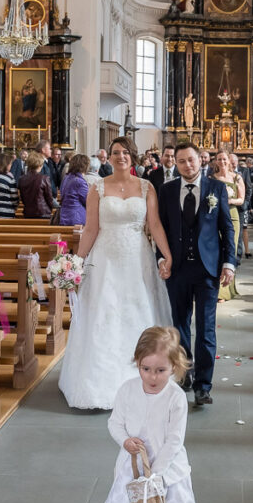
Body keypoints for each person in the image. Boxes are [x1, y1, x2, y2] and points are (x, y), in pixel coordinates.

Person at [58, 137, 175, 410]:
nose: (120, 156)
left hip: (138, 258)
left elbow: (155, 225)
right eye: (115, 153)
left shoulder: (146, 187)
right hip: (105, 259)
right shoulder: (97, 188)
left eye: (125, 152)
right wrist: (77, 262)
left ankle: (147, 377)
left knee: (138, 311)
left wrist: (166, 254)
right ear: (108, 158)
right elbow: (90, 229)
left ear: (133, 157)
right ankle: (100, 383)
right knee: (104, 314)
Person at [105, 327, 197, 503]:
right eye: (146, 369)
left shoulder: (175, 397)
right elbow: (115, 423)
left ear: (174, 367)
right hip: (133, 471)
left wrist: (155, 475)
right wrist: (125, 441)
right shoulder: (128, 390)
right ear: (137, 364)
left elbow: (174, 439)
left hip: (166, 470)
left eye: (161, 370)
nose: (153, 377)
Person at [157, 143, 236, 406]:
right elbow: (161, 230)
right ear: (175, 164)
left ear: (200, 160)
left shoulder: (217, 189)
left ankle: (203, 385)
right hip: (177, 268)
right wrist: (161, 258)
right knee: (179, 326)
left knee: (205, 328)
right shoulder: (167, 191)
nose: (187, 165)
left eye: (191, 160)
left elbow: (227, 229)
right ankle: (184, 372)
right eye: (181, 161)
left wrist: (229, 263)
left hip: (207, 269)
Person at [208, 152, 243, 302]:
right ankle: (214, 288)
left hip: (232, 216)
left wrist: (229, 201)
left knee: (230, 249)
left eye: (224, 159)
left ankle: (225, 291)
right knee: (216, 251)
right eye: (219, 159)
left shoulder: (237, 177)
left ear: (229, 161)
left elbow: (241, 199)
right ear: (216, 161)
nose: (222, 161)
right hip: (216, 217)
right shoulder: (211, 179)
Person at [18, 151, 56, 219]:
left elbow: (23, 198)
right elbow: (49, 198)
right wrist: (50, 210)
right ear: (40, 165)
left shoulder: (22, 179)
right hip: (43, 213)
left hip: (28, 213)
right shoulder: (44, 178)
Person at [58, 153, 91, 226]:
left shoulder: (67, 177)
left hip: (65, 215)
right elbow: (88, 201)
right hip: (76, 217)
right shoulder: (79, 181)